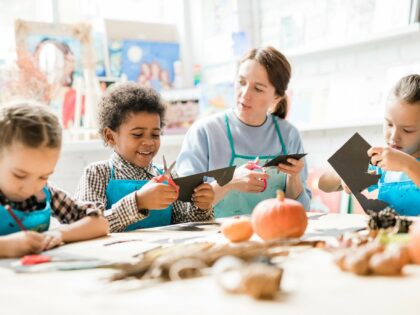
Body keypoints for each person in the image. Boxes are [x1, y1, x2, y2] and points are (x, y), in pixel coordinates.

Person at [176, 46, 311, 218]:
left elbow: (301, 211)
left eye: (258, 89)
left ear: (276, 97)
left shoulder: (289, 134)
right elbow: (184, 210)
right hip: (218, 238)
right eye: (241, 83)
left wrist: (294, 177)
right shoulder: (204, 132)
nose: (245, 95)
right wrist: (230, 182)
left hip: (273, 236)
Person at [75, 83, 215, 232]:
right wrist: (138, 202)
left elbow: (184, 225)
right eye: (137, 134)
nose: (149, 142)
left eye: (155, 134)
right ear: (110, 136)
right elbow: (86, 226)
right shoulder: (97, 174)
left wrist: (202, 207)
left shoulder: (169, 176)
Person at [0, 103, 109, 258]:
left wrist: (60, 233)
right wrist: (6, 246)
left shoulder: (45, 194)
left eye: (43, 176)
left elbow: (100, 224)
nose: (31, 187)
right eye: (20, 175)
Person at [319, 74, 420, 215]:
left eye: (407, 130)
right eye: (389, 124)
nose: (394, 136)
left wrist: (407, 164)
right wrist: (342, 174)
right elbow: (323, 184)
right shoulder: (382, 160)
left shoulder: (396, 160)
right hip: (387, 236)